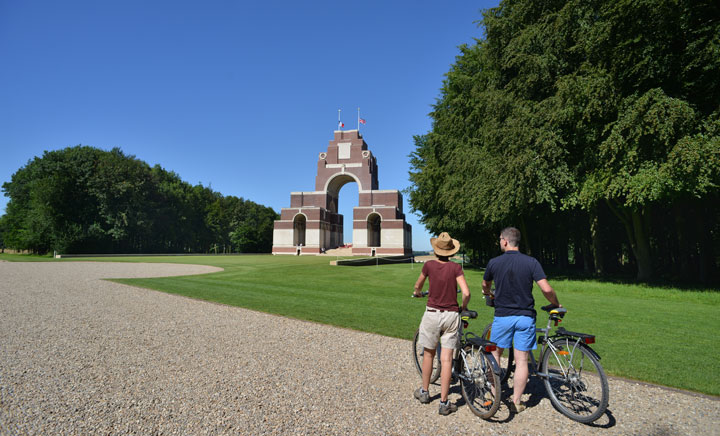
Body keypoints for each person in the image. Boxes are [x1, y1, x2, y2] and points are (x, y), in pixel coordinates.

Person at [482, 227, 561, 413]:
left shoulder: (494, 263)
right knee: (522, 360)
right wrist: (555, 303)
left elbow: (485, 285)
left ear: (505, 241)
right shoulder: (531, 262)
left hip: (503, 317)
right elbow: (546, 289)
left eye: (500, 239)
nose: (500, 241)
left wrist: (488, 294)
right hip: (525, 317)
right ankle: (516, 402)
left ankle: (494, 394)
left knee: (494, 355)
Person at [412, 232, 470, 416]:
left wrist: (419, 293)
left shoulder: (428, 265)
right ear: (451, 252)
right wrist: (463, 306)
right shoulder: (455, 268)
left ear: (436, 250)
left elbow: (417, 286)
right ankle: (444, 402)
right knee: (446, 360)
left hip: (432, 314)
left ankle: (424, 391)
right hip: (451, 315)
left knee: (428, 355)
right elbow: (466, 292)